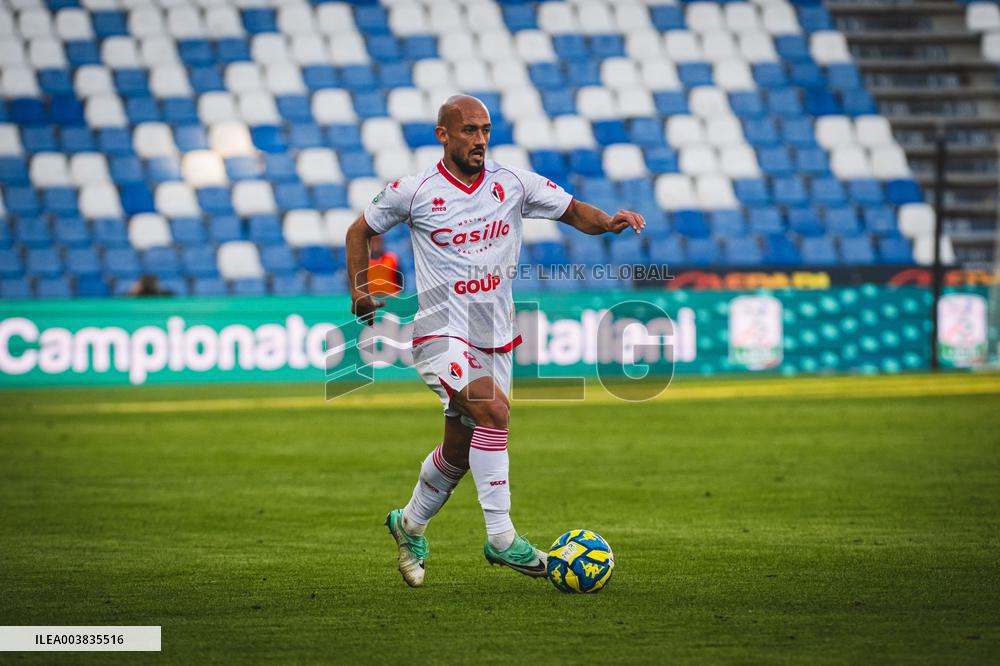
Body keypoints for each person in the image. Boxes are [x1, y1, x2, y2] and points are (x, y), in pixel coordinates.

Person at [344, 95, 645, 587]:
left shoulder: (513, 183)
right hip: (439, 332)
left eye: (485, 130)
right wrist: (360, 290)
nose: (480, 139)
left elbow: (572, 210)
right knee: (494, 411)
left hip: (494, 337)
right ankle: (502, 538)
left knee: (459, 451)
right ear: (443, 135)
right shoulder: (413, 191)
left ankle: (409, 524)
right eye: (469, 130)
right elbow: (359, 231)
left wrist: (607, 222)